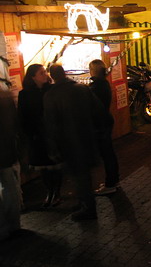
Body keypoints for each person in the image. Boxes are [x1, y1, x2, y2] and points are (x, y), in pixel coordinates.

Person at [44, 64, 105, 221]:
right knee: (84, 175)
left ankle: (88, 208)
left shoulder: (51, 95)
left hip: (68, 142)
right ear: (64, 73)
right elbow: (98, 110)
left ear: (52, 76)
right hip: (86, 137)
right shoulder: (82, 89)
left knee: (79, 176)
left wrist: (53, 148)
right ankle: (84, 203)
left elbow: (50, 123)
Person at [18, 64, 63, 208]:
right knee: (43, 166)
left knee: (55, 165)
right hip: (36, 136)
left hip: (51, 134)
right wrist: (29, 134)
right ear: (33, 77)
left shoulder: (51, 90)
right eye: (41, 73)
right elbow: (22, 116)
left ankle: (56, 193)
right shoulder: (24, 94)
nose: (45, 75)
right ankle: (49, 192)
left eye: (45, 72)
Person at [88, 59, 120, 195]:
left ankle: (110, 183)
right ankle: (113, 180)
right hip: (105, 121)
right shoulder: (103, 83)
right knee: (109, 153)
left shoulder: (96, 87)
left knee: (106, 154)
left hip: (100, 124)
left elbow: (91, 107)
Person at [0, 88, 22, 241]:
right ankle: (14, 224)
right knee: (10, 187)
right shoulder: (4, 94)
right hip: (7, 148)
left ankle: (2, 229)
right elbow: (15, 122)